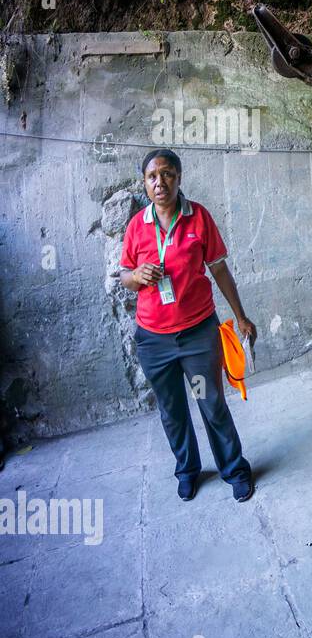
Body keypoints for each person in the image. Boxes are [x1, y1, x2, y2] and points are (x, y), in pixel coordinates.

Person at [119, 149, 257, 502]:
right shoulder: (137, 226)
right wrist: (136, 275)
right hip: (153, 339)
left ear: (178, 178)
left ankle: (234, 470)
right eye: (152, 177)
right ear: (145, 184)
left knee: (211, 404)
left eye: (166, 174)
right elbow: (125, 276)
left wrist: (240, 315)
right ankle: (188, 471)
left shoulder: (199, 218)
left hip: (198, 334)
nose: (159, 182)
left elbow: (219, 269)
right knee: (172, 411)